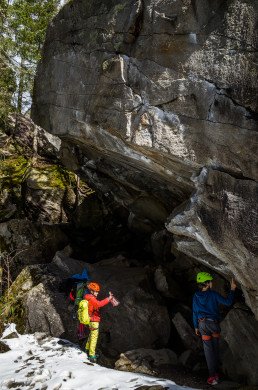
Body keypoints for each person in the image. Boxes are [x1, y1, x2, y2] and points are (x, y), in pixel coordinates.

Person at [193, 272, 236, 386]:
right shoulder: (213, 294)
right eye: (211, 281)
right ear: (207, 283)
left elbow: (195, 312)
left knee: (208, 351)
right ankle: (217, 373)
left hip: (202, 325)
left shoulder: (196, 296)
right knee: (215, 348)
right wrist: (232, 290)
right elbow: (228, 302)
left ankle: (212, 377)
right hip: (214, 324)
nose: (212, 283)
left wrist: (196, 327)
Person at [84, 282, 113, 361]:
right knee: (94, 337)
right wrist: (108, 299)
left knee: (91, 334)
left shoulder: (88, 297)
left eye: (97, 291)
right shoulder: (92, 298)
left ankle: (87, 348)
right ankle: (92, 354)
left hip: (91, 319)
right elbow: (99, 304)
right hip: (94, 320)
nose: (98, 293)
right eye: (96, 291)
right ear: (92, 291)